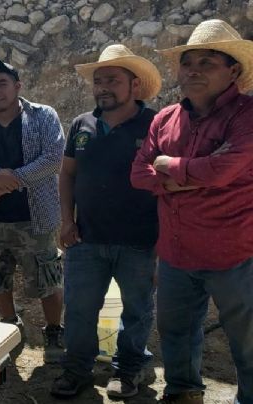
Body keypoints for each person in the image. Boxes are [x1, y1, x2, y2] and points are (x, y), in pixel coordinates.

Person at [131, 19, 253, 404]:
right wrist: (191, 172)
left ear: (233, 70)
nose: (194, 70)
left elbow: (225, 169)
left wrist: (166, 164)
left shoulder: (246, 115)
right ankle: (184, 394)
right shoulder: (165, 118)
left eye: (207, 62)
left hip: (233, 253)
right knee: (175, 332)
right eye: (188, 62)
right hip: (177, 253)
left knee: (247, 340)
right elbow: (138, 174)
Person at [50, 45, 161, 398]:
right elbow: (66, 175)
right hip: (86, 238)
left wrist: (165, 242)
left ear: (135, 85)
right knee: (80, 310)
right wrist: (67, 220)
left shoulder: (156, 124)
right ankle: (77, 370)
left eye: (113, 80)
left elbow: (169, 186)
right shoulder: (81, 124)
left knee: (137, 311)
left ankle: (128, 371)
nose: (103, 87)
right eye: (98, 81)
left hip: (140, 242)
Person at [0, 55, 65, 363]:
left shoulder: (43, 116)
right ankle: (9, 324)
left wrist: (10, 180)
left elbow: (53, 159)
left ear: (17, 86)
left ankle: (54, 330)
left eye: (2, 84)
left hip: (35, 217)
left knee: (47, 275)